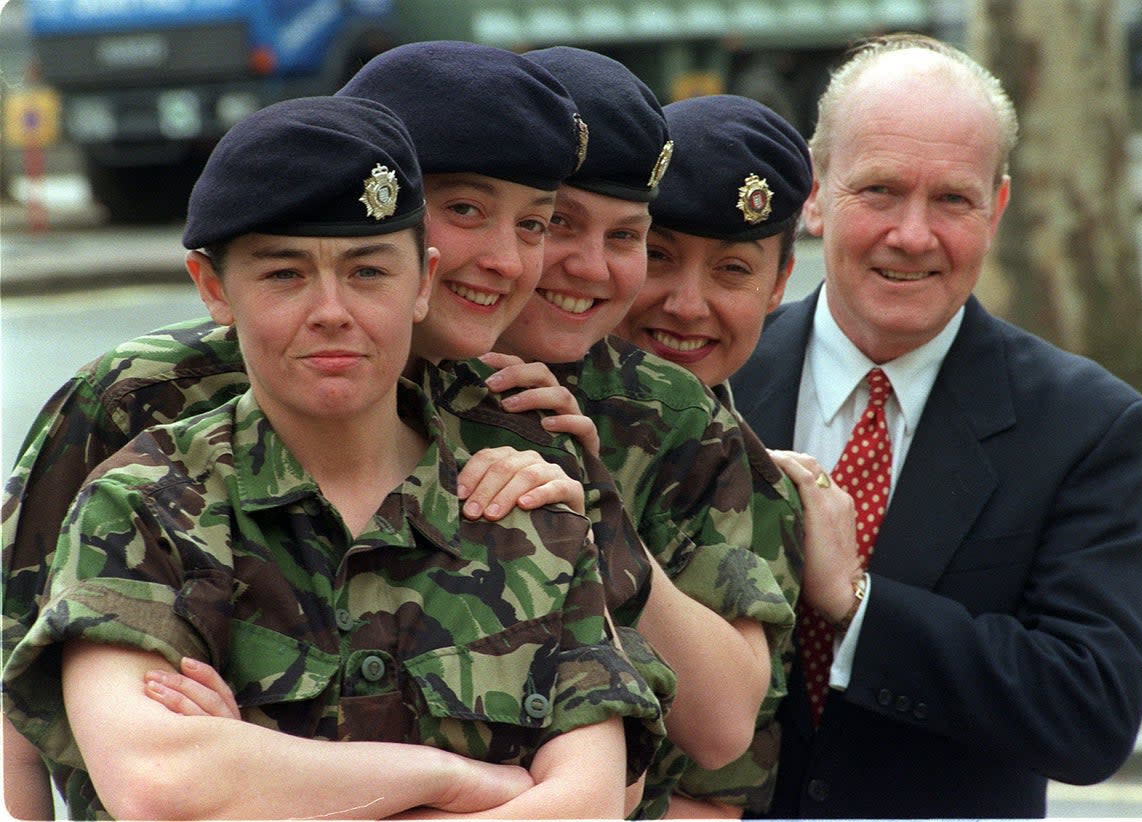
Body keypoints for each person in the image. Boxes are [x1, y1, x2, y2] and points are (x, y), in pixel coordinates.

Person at [0, 41, 665, 818]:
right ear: (219, 288)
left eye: (533, 223)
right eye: (467, 210)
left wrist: (256, 767)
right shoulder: (144, 421)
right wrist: (454, 784)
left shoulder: (521, 445)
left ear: (415, 273)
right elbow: (88, 720)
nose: (332, 312)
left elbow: (601, 790)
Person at [727, 33, 1142, 818]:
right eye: (881, 190)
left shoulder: (1085, 426)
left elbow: (1091, 714)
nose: (913, 235)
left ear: (995, 209)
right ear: (816, 194)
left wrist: (857, 603)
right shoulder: (711, 382)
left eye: (952, 199)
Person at [478, 47, 799, 818]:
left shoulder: (691, 433)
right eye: (557, 224)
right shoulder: (298, 380)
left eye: (625, 237)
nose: (589, 267)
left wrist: (596, 512)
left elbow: (719, 758)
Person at [615, 93, 856, 818]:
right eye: (658, 257)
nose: (687, 305)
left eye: (731, 271)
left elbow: (714, 797)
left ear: (779, 286)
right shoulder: (503, 401)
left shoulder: (754, 491)